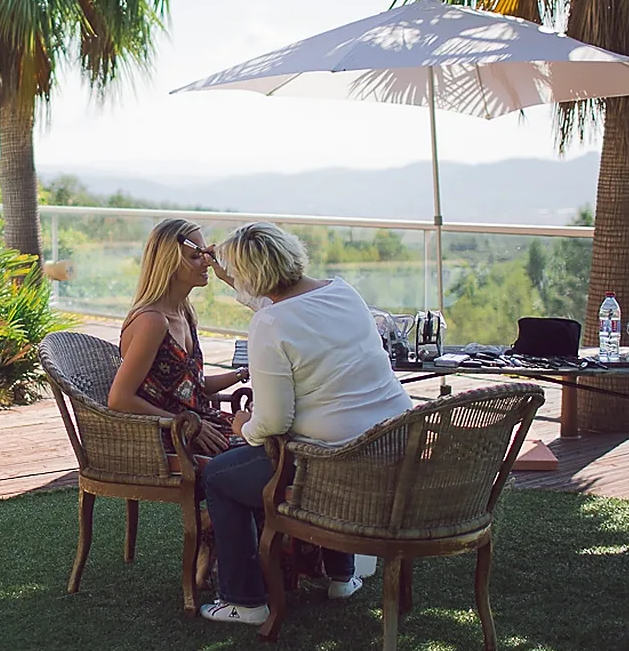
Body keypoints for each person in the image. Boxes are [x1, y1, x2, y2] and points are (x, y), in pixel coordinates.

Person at [197, 221, 414, 625]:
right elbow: (289, 313)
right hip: (392, 445)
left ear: (253, 277)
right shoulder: (342, 292)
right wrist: (234, 279)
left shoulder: (269, 325)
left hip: (332, 462)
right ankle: (342, 578)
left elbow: (274, 420)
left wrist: (243, 426)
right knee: (330, 430)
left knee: (219, 476)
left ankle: (245, 601)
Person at [108, 218, 247, 456]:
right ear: (169, 264)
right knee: (268, 451)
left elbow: (192, 386)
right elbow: (119, 399)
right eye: (195, 256)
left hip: (200, 424)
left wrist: (243, 373)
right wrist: (186, 425)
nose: (206, 261)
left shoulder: (184, 313)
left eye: (205, 253)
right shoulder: (152, 321)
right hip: (173, 438)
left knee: (274, 439)